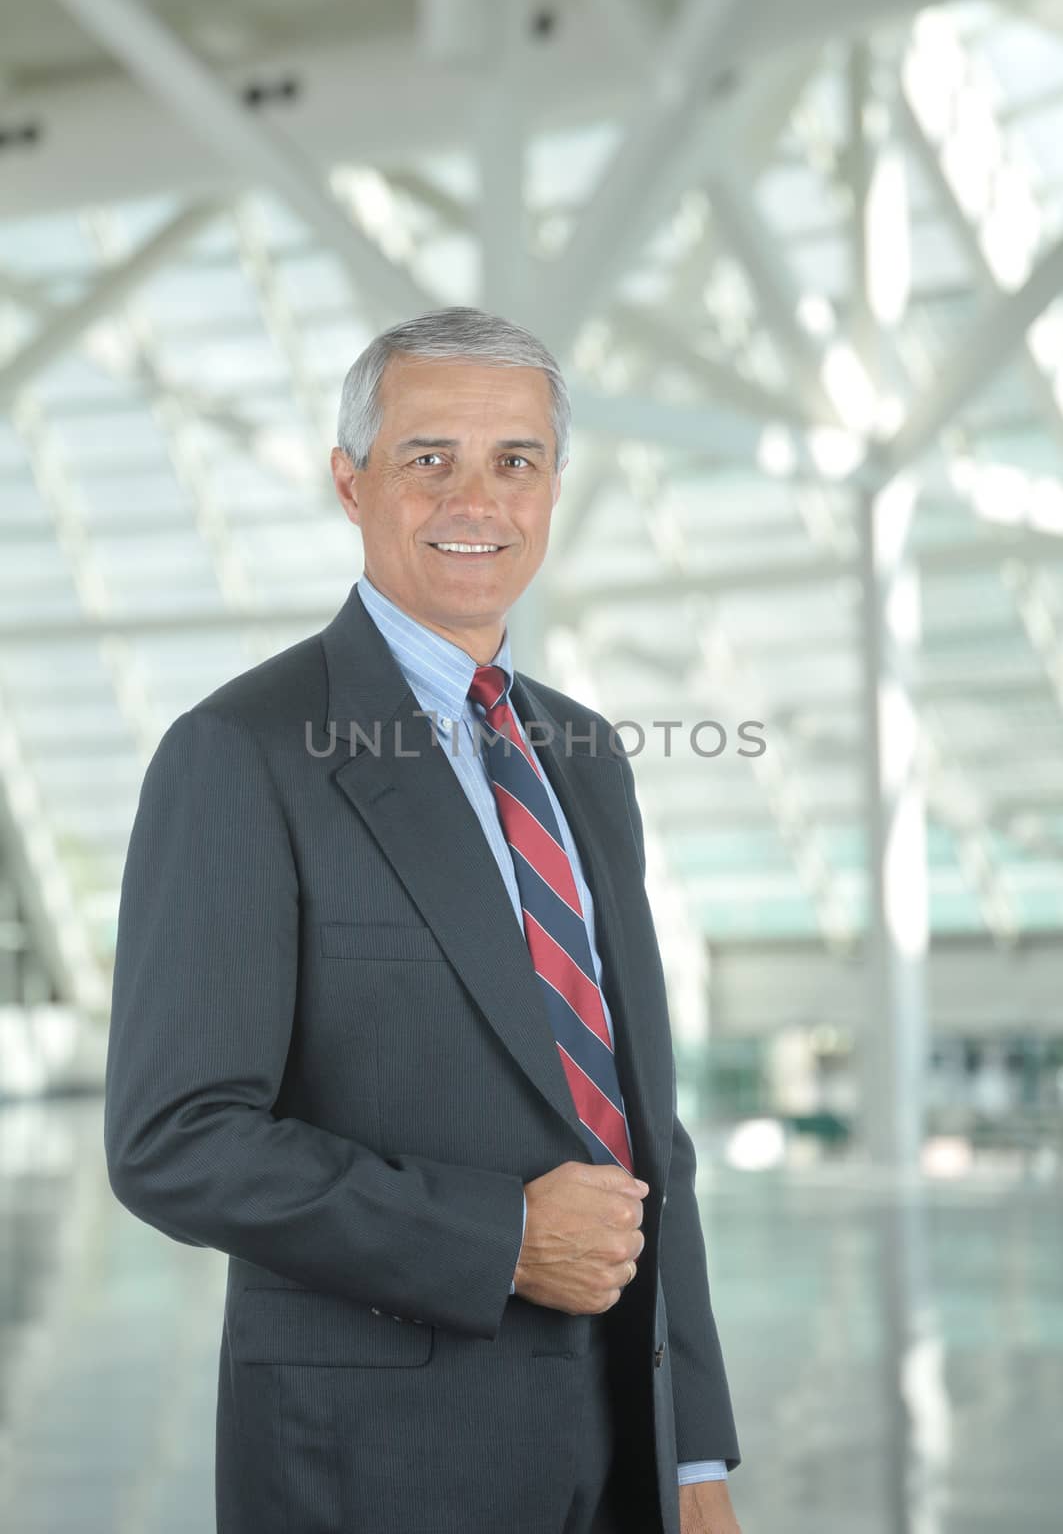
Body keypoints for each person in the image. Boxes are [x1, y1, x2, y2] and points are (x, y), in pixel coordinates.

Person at [104, 306, 741, 1534]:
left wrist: (695, 1456)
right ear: (349, 482)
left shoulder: (586, 755)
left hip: (625, 1442)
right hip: (376, 1467)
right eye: (427, 456)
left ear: (554, 487)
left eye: (516, 461)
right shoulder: (240, 753)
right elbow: (174, 1137)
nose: (476, 500)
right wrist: (499, 1237)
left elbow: (645, 1132)